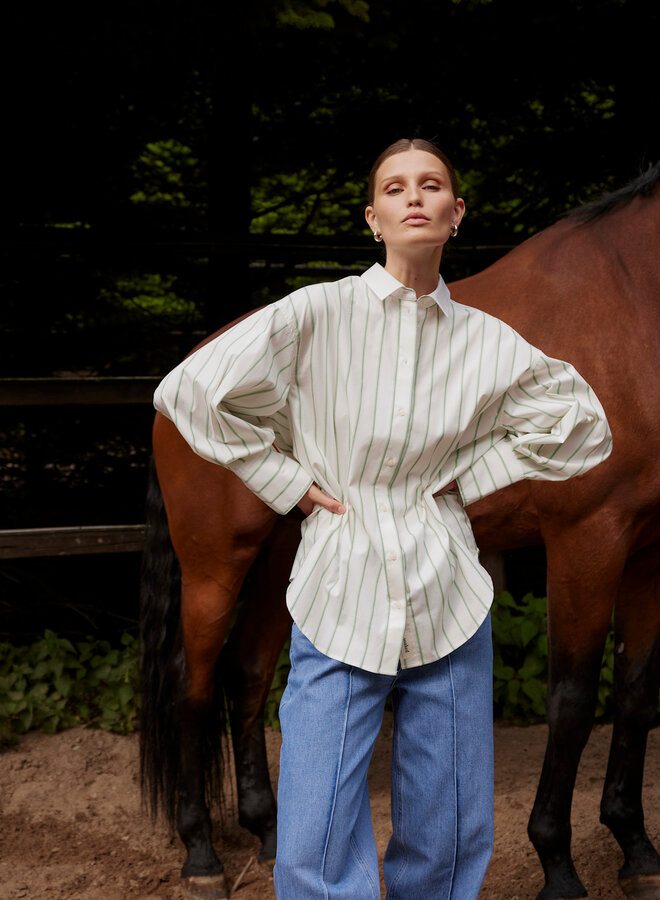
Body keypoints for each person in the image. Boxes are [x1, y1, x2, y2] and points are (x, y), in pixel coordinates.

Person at [153, 138, 612, 899]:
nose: (415, 197)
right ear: (374, 218)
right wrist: (284, 480)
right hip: (338, 593)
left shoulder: (489, 342)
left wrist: (473, 481)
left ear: (455, 213)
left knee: (450, 836)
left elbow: (584, 423)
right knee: (318, 840)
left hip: (450, 600)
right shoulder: (316, 313)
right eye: (396, 188)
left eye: (432, 185)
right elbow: (188, 390)